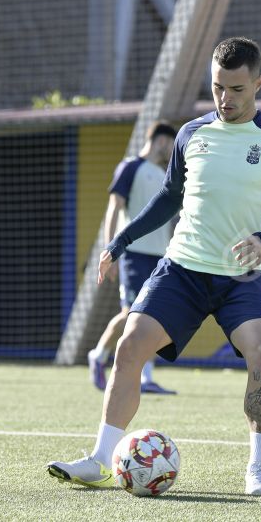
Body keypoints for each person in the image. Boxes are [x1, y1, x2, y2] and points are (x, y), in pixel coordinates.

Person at [47, 37, 261, 495]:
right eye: (217, 87)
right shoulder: (191, 134)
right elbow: (168, 197)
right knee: (130, 345)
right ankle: (100, 460)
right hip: (182, 269)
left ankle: (258, 467)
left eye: (236, 88)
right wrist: (122, 239)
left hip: (242, 277)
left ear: (258, 83)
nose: (225, 98)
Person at [87, 121, 178, 395]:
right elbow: (114, 207)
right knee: (130, 313)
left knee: (154, 316)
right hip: (133, 254)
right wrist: (110, 251)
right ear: (162, 141)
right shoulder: (130, 167)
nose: (173, 152)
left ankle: (145, 378)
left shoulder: (164, 175)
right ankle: (99, 354)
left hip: (161, 257)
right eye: (172, 146)